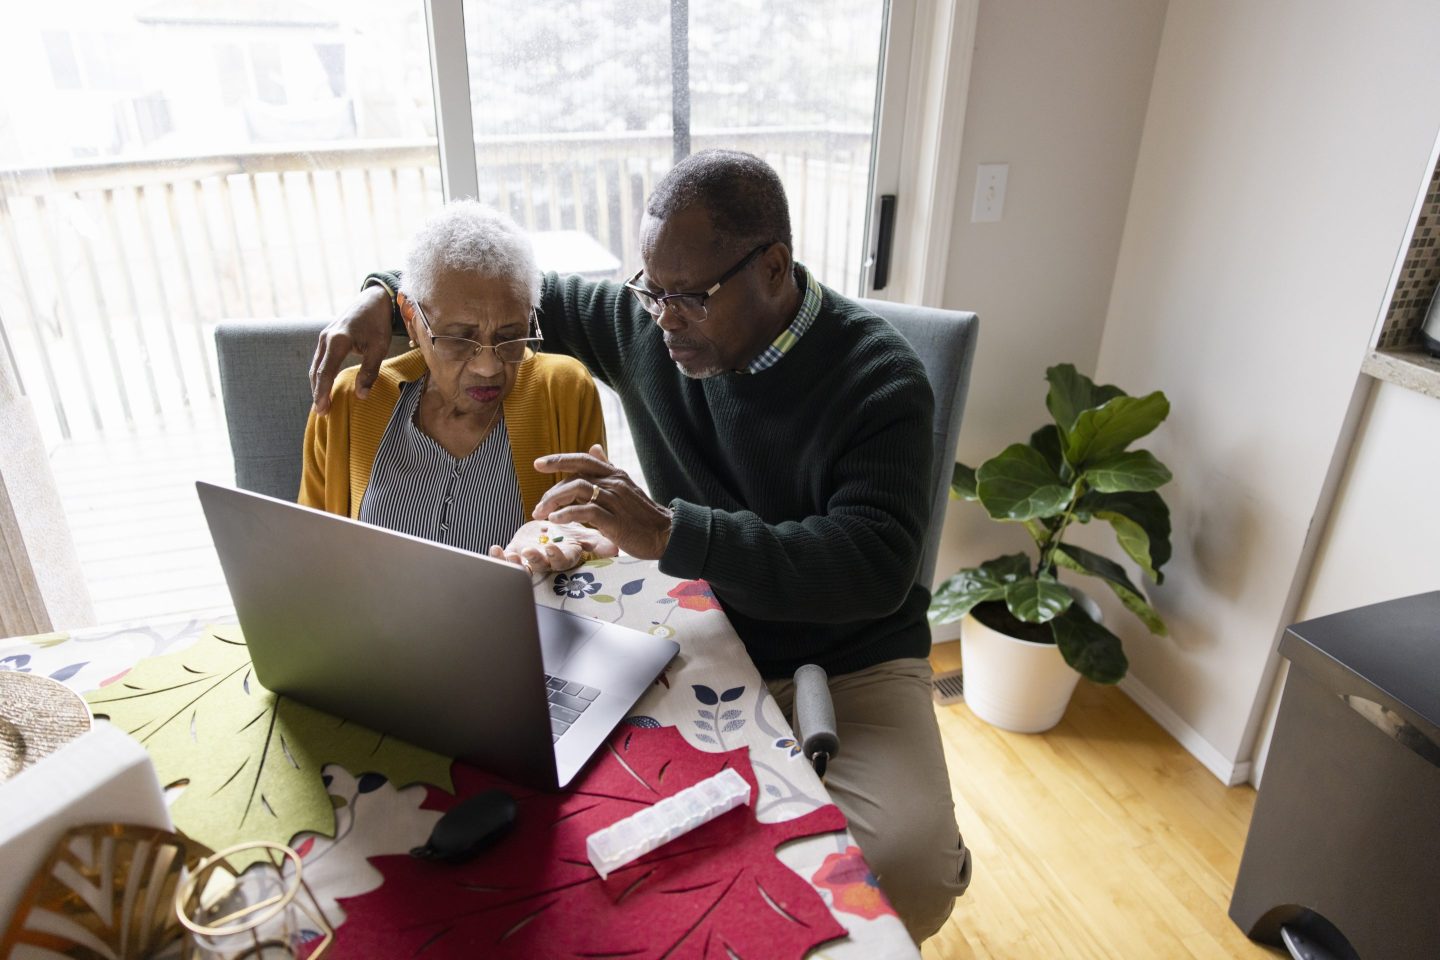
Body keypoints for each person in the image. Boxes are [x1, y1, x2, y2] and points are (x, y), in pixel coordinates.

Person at [311, 151, 971, 942]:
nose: (662, 319)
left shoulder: (879, 378)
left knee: (904, 871)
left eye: (687, 298)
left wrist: (668, 533)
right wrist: (379, 295)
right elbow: (489, 287)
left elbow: (872, 564)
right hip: (699, 639)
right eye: (650, 290)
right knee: (611, 854)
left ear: (772, 268)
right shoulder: (651, 322)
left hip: (853, 660)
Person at [301, 201, 613, 571]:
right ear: (411, 319)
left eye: (510, 336)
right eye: (459, 339)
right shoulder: (351, 402)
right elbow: (310, 556)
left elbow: (594, 551)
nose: (488, 366)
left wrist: (562, 551)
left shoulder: (563, 390)